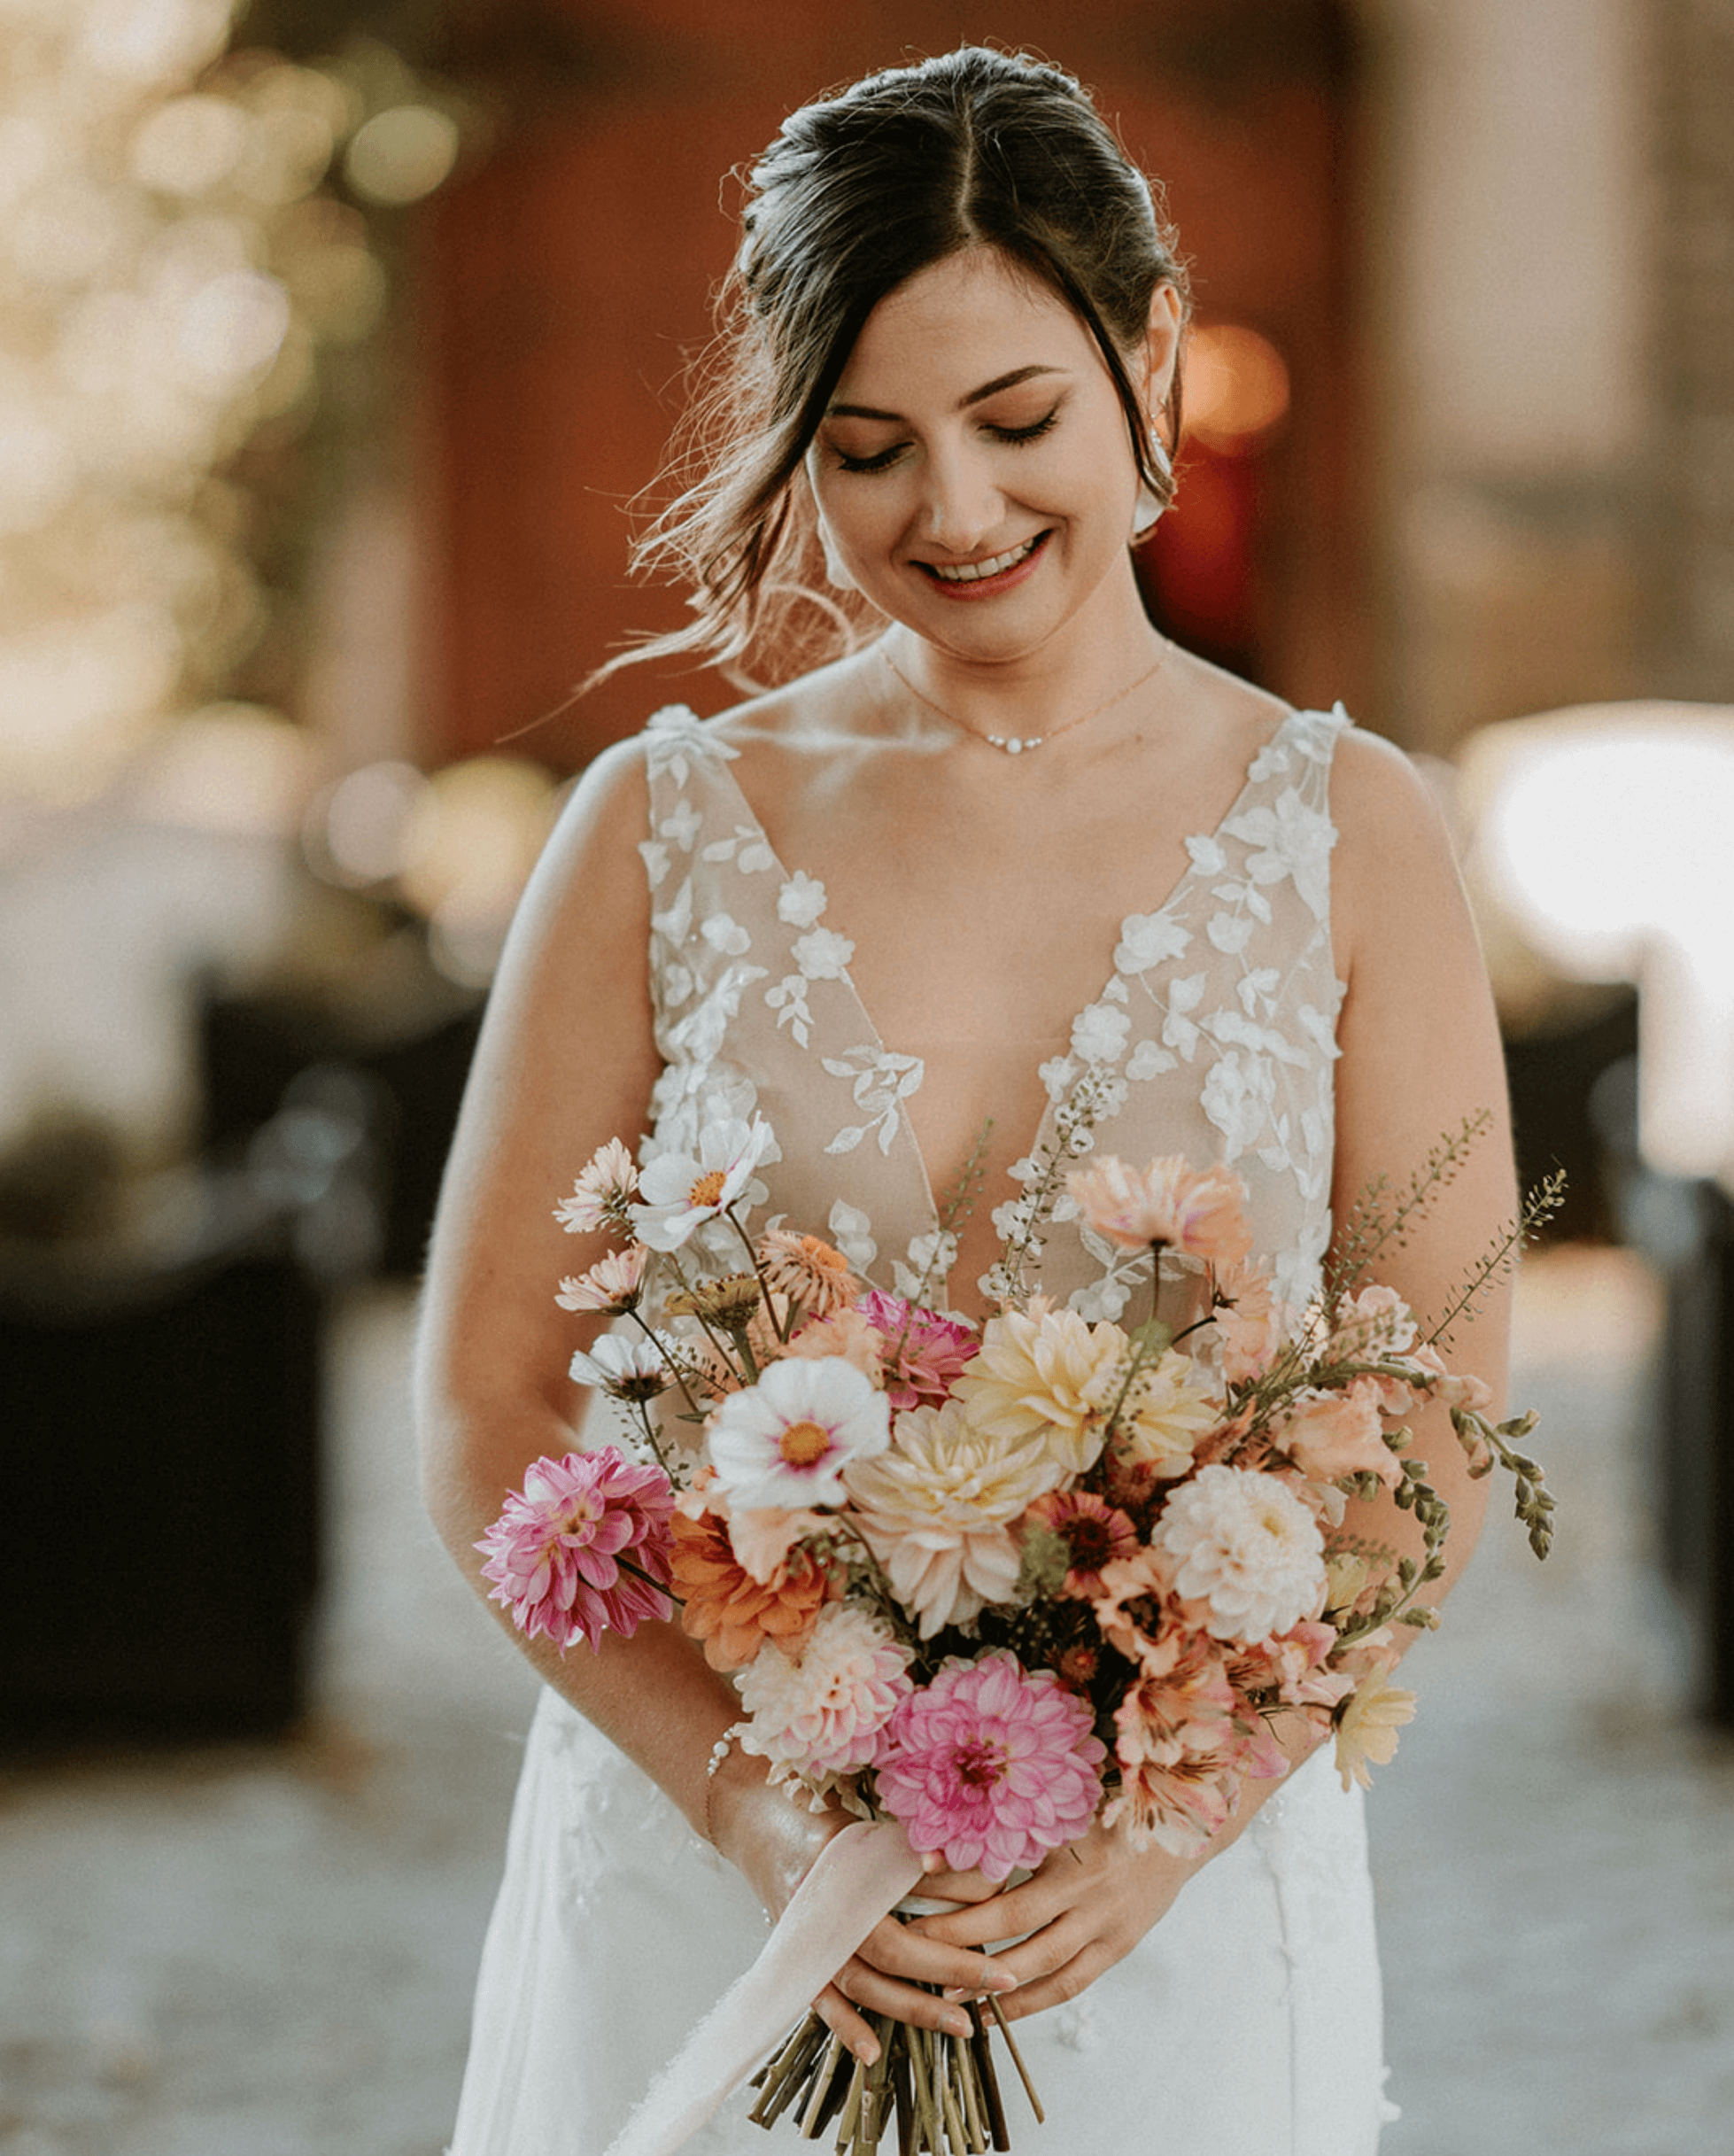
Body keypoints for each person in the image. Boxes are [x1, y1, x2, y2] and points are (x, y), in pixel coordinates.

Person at [417, 46, 1515, 2155]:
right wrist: (752, 1810)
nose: (955, 510)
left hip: (1152, 1917)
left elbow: (1444, 1399)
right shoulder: (661, 825)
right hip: (719, 1875)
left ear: (1148, 364)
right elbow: (487, 1399)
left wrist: (1180, 1824)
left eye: (1016, 422)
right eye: (869, 447)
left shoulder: (1349, 830)